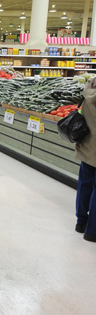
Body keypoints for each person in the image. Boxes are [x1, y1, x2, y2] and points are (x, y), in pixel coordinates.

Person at [75, 77, 96, 242]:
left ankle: (81, 222)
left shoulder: (90, 85)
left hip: (88, 144)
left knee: (84, 183)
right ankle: (92, 231)